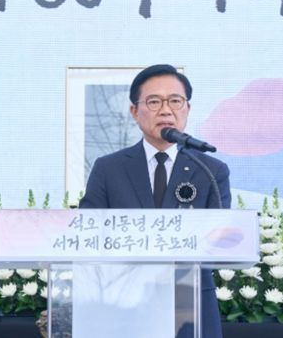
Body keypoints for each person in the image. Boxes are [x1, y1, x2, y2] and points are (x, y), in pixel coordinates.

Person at [80, 64, 231, 338]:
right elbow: (88, 232)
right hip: (122, 302)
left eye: (175, 101)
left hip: (189, 302)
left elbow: (219, 241)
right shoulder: (108, 168)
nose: (165, 110)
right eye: (153, 102)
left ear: (187, 108)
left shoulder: (210, 170)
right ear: (134, 111)